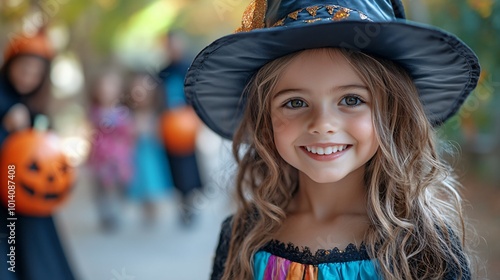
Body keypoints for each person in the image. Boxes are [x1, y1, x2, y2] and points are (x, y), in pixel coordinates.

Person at [183, 0, 481, 279]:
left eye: (351, 99)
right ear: (265, 118)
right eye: (295, 102)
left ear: (393, 111)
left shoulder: (424, 248)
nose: (323, 125)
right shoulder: (242, 235)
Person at [0, 31, 75, 279]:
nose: (28, 77)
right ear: (11, 64)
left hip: (29, 205)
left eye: (36, 74)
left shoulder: (36, 107)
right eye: (24, 69)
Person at [159, 30, 203, 226]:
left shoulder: (190, 67)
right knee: (174, 166)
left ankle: (190, 203)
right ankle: (181, 203)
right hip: (169, 126)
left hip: (186, 125)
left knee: (190, 165)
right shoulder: (163, 72)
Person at [87, 69, 135, 231]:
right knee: (101, 186)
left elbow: (128, 134)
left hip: (117, 157)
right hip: (100, 157)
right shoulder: (94, 112)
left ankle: (115, 212)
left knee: (117, 186)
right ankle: (105, 214)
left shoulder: (122, 113)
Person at [126, 72, 173, 226]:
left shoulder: (157, 113)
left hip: (152, 156)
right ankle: (145, 211)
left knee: (153, 182)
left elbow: (162, 136)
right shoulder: (129, 114)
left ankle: (154, 212)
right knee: (140, 183)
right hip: (136, 157)